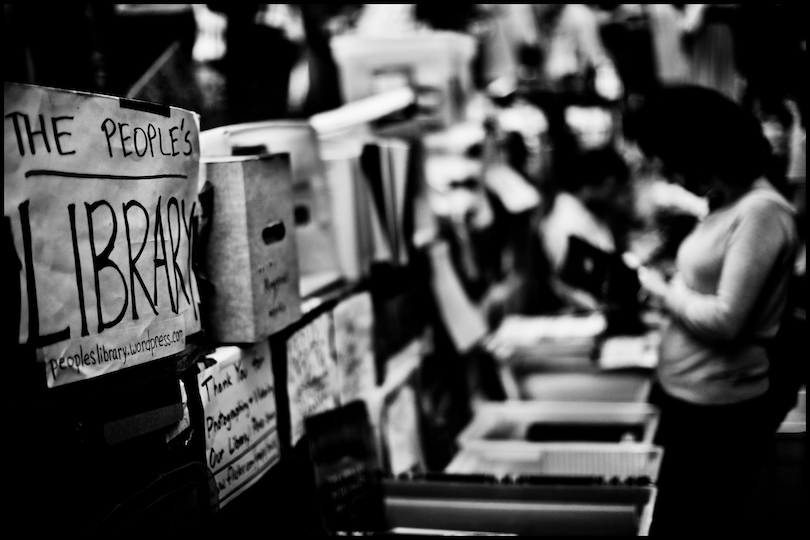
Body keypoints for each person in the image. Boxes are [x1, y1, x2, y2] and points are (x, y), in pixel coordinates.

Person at [633, 85, 799, 536]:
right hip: (688, 397)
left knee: (695, 522)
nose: (670, 170)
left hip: (717, 414)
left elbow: (727, 320)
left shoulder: (763, 213)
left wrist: (661, 290)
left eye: (671, 157)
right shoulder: (725, 201)